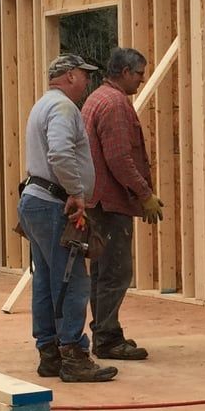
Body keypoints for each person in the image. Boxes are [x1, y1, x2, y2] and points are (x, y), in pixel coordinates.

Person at [19, 51, 118, 383]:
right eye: (84, 75)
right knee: (73, 280)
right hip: (54, 203)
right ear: (70, 76)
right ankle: (73, 355)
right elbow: (60, 152)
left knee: (47, 280)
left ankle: (49, 353)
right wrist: (76, 191)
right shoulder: (63, 107)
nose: (87, 81)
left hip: (36, 200)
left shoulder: (42, 104)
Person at [81, 46, 165, 361]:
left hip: (96, 200)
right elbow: (118, 157)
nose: (142, 80)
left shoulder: (97, 98)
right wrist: (144, 195)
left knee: (102, 272)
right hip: (109, 203)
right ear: (126, 72)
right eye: (140, 74)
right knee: (116, 271)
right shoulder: (115, 104)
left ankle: (106, 333)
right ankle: (106, 338)